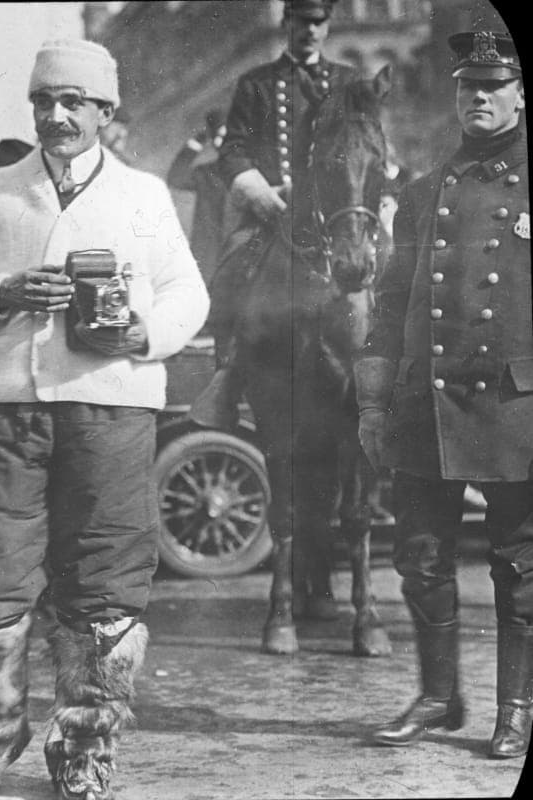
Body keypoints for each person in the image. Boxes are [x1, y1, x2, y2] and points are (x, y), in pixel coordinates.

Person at [0, 39, 208, 800]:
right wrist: (3, 293)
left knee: (104, 583)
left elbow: (188, 294)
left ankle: (83, 744)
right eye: (44, 102)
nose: (55, 117)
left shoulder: (143, 196)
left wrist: (142, 331)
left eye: (73, 103)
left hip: (111, 411)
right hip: (9, 411)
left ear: (105, 112)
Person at [355, 30, 532, 759]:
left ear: (520, 94)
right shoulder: (426, 189)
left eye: (493, 86)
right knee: (419, 558)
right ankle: (436, 696)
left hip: (514, 409)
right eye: (467, 87)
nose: (478, 98)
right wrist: (371, 402)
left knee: (520, 567)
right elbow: (392, 306)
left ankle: (515, 710)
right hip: (425, 406)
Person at [195, 0, 357, 425]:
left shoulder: (349, 81)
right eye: (301, 21)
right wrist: (256, 190)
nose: (310, 30)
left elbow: (369, 141)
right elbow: (232, 150)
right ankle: (228, 374)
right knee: (232, 261)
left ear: (327, 26)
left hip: (338, 215)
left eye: (318, 22)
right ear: (286, 24)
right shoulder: (256, 83)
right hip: (274, 213)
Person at [166, 108, 230, 286]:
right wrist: (199, 140)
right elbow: (176, 177)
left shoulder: (253, 172)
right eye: (217, 137)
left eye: (228, 136)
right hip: (209, 252)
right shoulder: (206, 173)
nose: (222, 143)